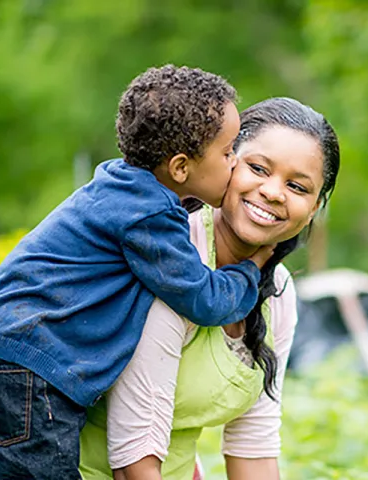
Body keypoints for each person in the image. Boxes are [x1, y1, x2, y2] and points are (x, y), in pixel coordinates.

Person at [0, 65, 275, 479]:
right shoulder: (150, 214)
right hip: (32, 363)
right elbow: (203, 298)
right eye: (229, 152)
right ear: (180, 167)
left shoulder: (118, 188)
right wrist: (251, 271)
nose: (234, 164)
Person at [79, 97, 341, 480]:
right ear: (225, 162)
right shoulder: (171, 262)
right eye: (257, 168)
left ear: (314, 208)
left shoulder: (277, 291)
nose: (273, 192)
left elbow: (254, 444)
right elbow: (134, 458)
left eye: (297, 187)